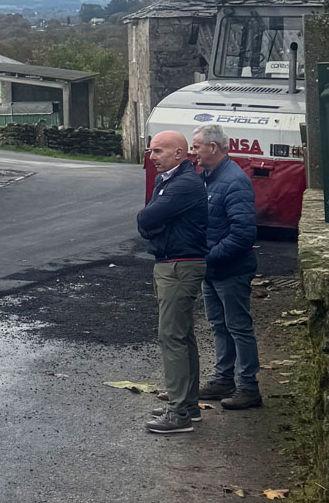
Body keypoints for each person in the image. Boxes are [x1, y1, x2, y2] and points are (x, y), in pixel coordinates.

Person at [137, 130, 208, 434]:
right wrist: (153, 225)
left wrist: (152, 226)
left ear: (179, 153)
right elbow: (151, 219)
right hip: (175, 262)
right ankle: (188, 406)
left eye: (158, 151)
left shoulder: (184, 184)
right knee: (182, 335)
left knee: (172, 337)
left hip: (179, 265)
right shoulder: (172, 181)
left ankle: (178, 413)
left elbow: (146, 219)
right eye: (151, 151)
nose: (152, 157)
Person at [191, 123, 263, 410]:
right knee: (220, 326)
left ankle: (248, 386)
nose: (192, 151)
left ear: (213, 147)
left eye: (196, 146)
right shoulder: (208, 177)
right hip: (213, 269)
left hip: (231, 270)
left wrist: (208, 258)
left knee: (238, 327)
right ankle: (224, 379)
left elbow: (243, 233)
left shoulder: (234, 181)